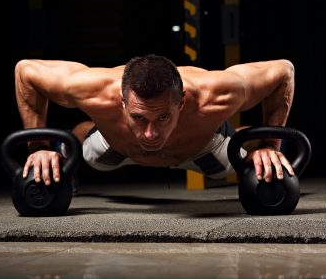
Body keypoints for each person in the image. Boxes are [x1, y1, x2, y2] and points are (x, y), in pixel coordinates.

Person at [15, 54, 295, 189]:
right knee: (87, 148)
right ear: (121, 102)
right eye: (139, 117)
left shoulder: (217, 92)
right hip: (117, 147)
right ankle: (71, 147)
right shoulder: (93, 89)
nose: (150, 134)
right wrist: (38, 147)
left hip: (204, 149)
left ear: (181, 103)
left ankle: (256, 146)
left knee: (241, 151)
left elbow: (283, 71)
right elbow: (25, 71)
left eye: (163, 117)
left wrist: (270, 144)